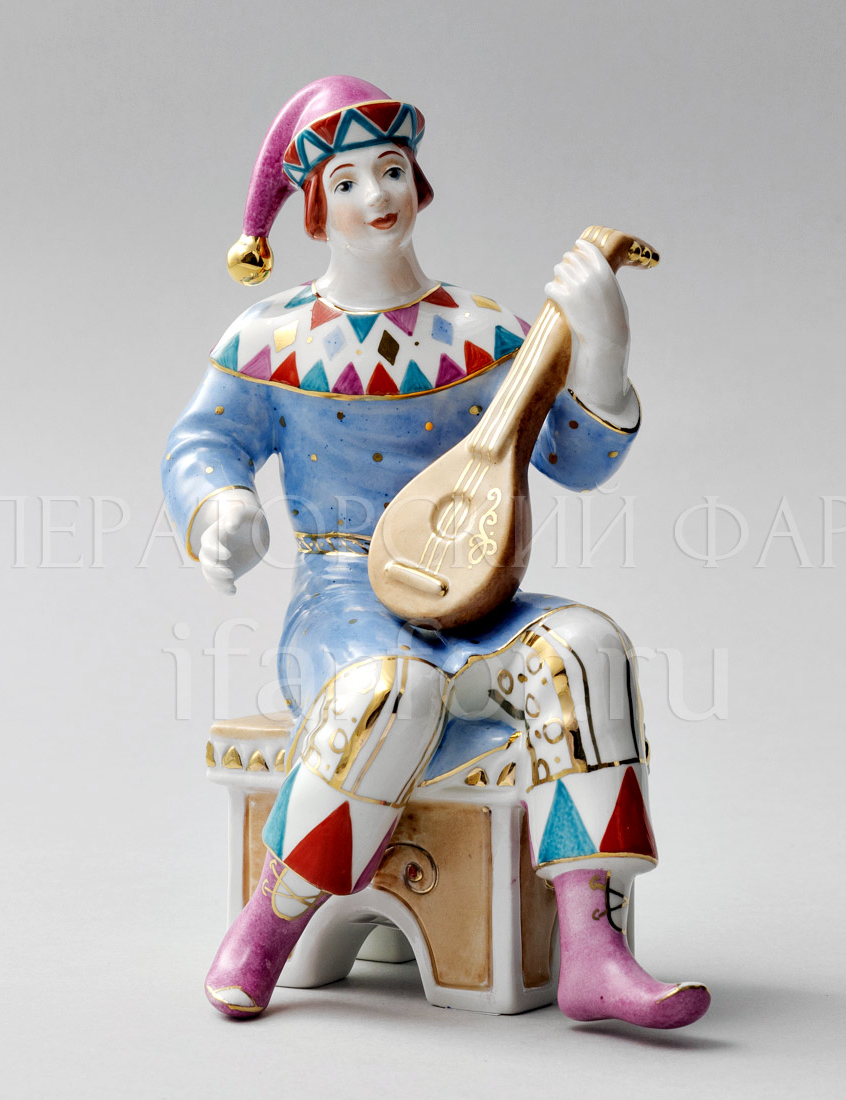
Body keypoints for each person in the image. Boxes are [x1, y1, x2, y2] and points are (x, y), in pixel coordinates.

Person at [162, 76, 708, 1029]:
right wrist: (221, 508)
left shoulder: (482, 332)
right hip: (342, 600)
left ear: (418, 181)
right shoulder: (270, 337)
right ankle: (272, 918)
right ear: (312, 207)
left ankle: (593, 943)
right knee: (392, 689)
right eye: (346, 182)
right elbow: (204, 441)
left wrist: (605, 356)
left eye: (391, 169)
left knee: (587, 647)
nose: (377, 195)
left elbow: (575, 461)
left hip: (477, 596)